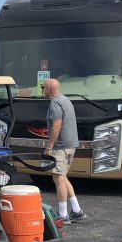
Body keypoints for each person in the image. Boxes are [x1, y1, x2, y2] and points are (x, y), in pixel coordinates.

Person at [43, 78, 87, 223]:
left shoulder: (55, 103)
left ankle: (63, 215)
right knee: (63, 176)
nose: (43, 90)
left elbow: (57, 126)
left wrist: (49, 146)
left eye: (43, 87)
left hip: (60, 146)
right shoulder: (66, 100)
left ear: (49, 89)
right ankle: (76, 210)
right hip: (71, 145)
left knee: (58, 178)